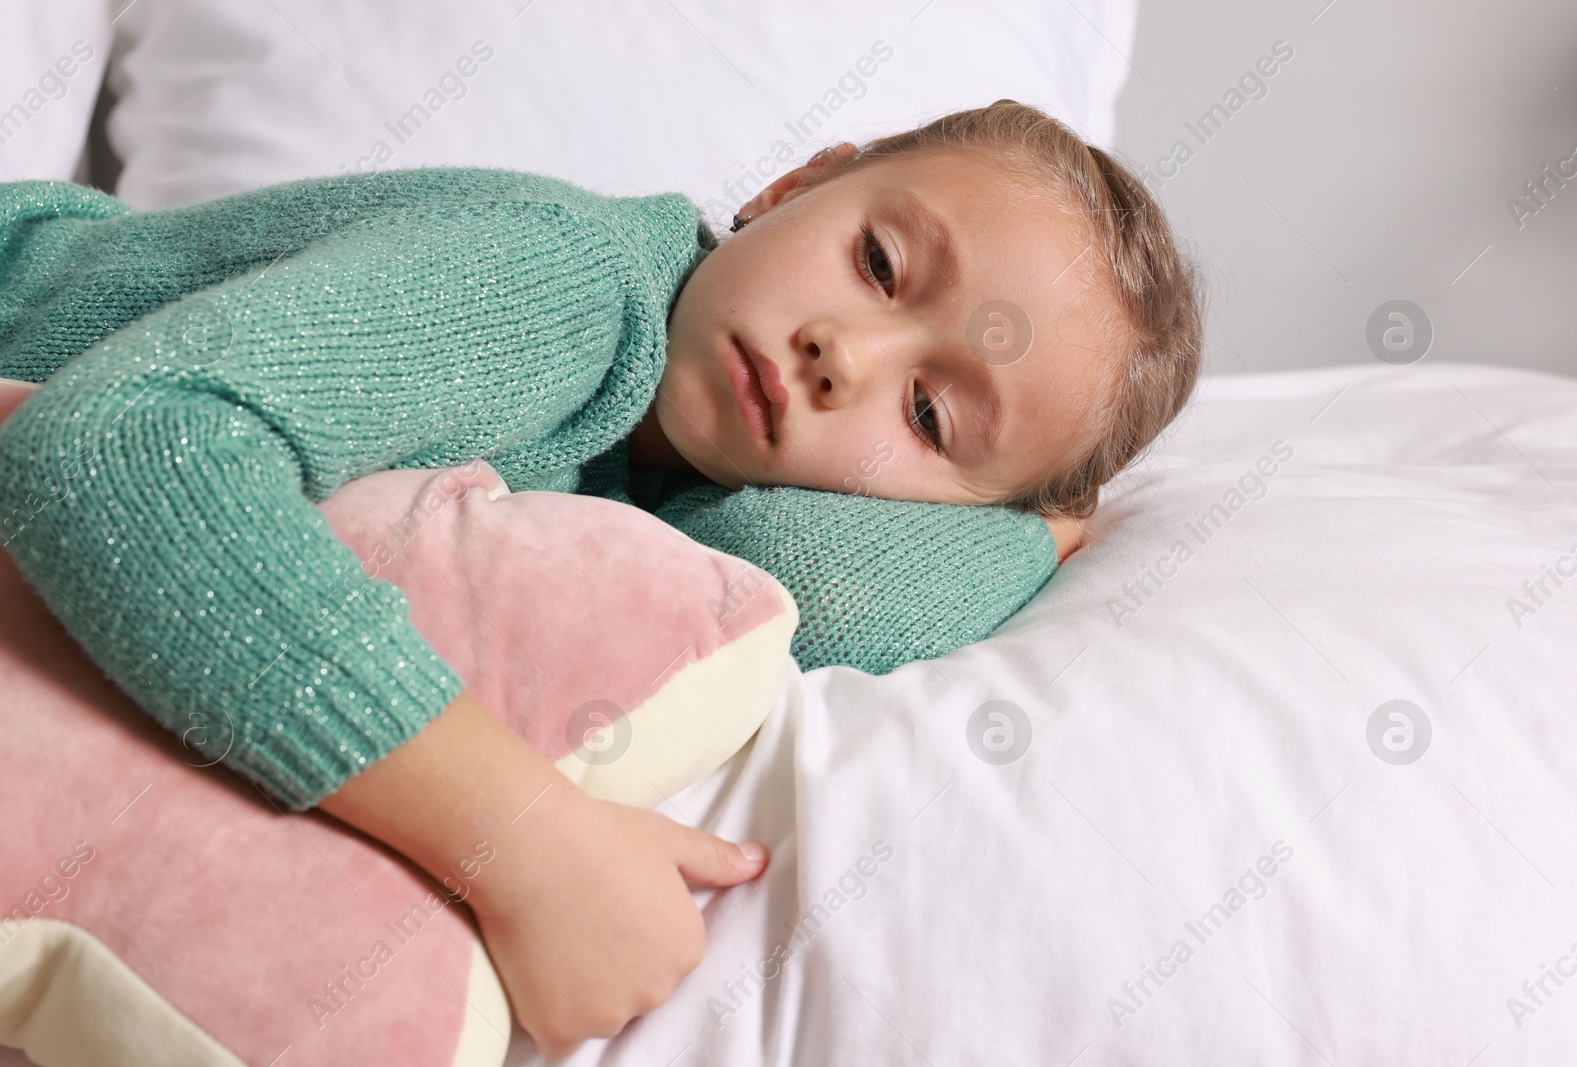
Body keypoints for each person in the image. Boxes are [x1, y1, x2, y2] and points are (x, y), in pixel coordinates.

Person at [0, 100, 1203, 1056]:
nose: (845, 353)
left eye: (930, 413)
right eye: (879, 263)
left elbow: (807, 594)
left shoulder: (665, 509)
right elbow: (120, 447)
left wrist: (1024, 531)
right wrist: (521, 839)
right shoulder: (558, 282)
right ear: (791, 186)